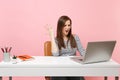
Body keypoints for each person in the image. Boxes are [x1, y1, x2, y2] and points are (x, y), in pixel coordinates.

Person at [47, 15, 86, 80]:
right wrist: (51, 36)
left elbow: (82, 51)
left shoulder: (75, 37)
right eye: (65, 25)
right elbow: (55, 54)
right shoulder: (56, 40)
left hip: (73, 68)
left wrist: (90, 56)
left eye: (69, 25)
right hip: (59, 69)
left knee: (79, 77)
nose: (67, 27)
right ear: (60, 27)